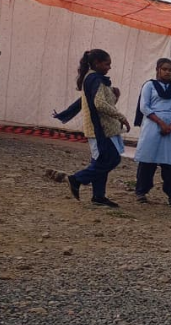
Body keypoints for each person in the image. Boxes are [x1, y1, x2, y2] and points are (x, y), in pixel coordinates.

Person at [65, 49, 130, 207]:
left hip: (99, 127)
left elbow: (102, 102)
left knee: (101, 161)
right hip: (101, 129)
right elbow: (99, 104)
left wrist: (114, 96)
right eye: (107, 64)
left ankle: (98, 196)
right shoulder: (95, 79)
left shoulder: (91, 78)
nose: (109, 67)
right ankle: (77, 179)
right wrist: (121, 116)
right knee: (111, 159)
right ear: (97, 63)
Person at [133, 58, 171, 207]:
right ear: (158, 70)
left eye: (170, 70)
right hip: (153, 125)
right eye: (165, 69)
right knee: (147, 160)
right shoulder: (149, 85)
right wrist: (161, 123)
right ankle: (141, 191)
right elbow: (144, 106)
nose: (168, 72)